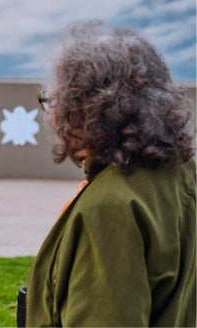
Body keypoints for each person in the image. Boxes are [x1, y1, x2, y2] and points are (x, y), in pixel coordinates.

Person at [25, 20, 196, 326]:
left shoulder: (109, 207)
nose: (51, 117)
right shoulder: (182, 171)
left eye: (53, 102)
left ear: (88, 108)